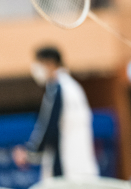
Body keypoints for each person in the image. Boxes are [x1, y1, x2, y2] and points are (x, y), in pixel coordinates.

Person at [12, 46, 99, 180]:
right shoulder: (74, 87)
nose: (36, 69)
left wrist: (29, 153)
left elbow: (49, 127)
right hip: (84, 168)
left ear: (50, 63)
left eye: (38, 63)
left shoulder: (57, 89)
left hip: (66, 169)